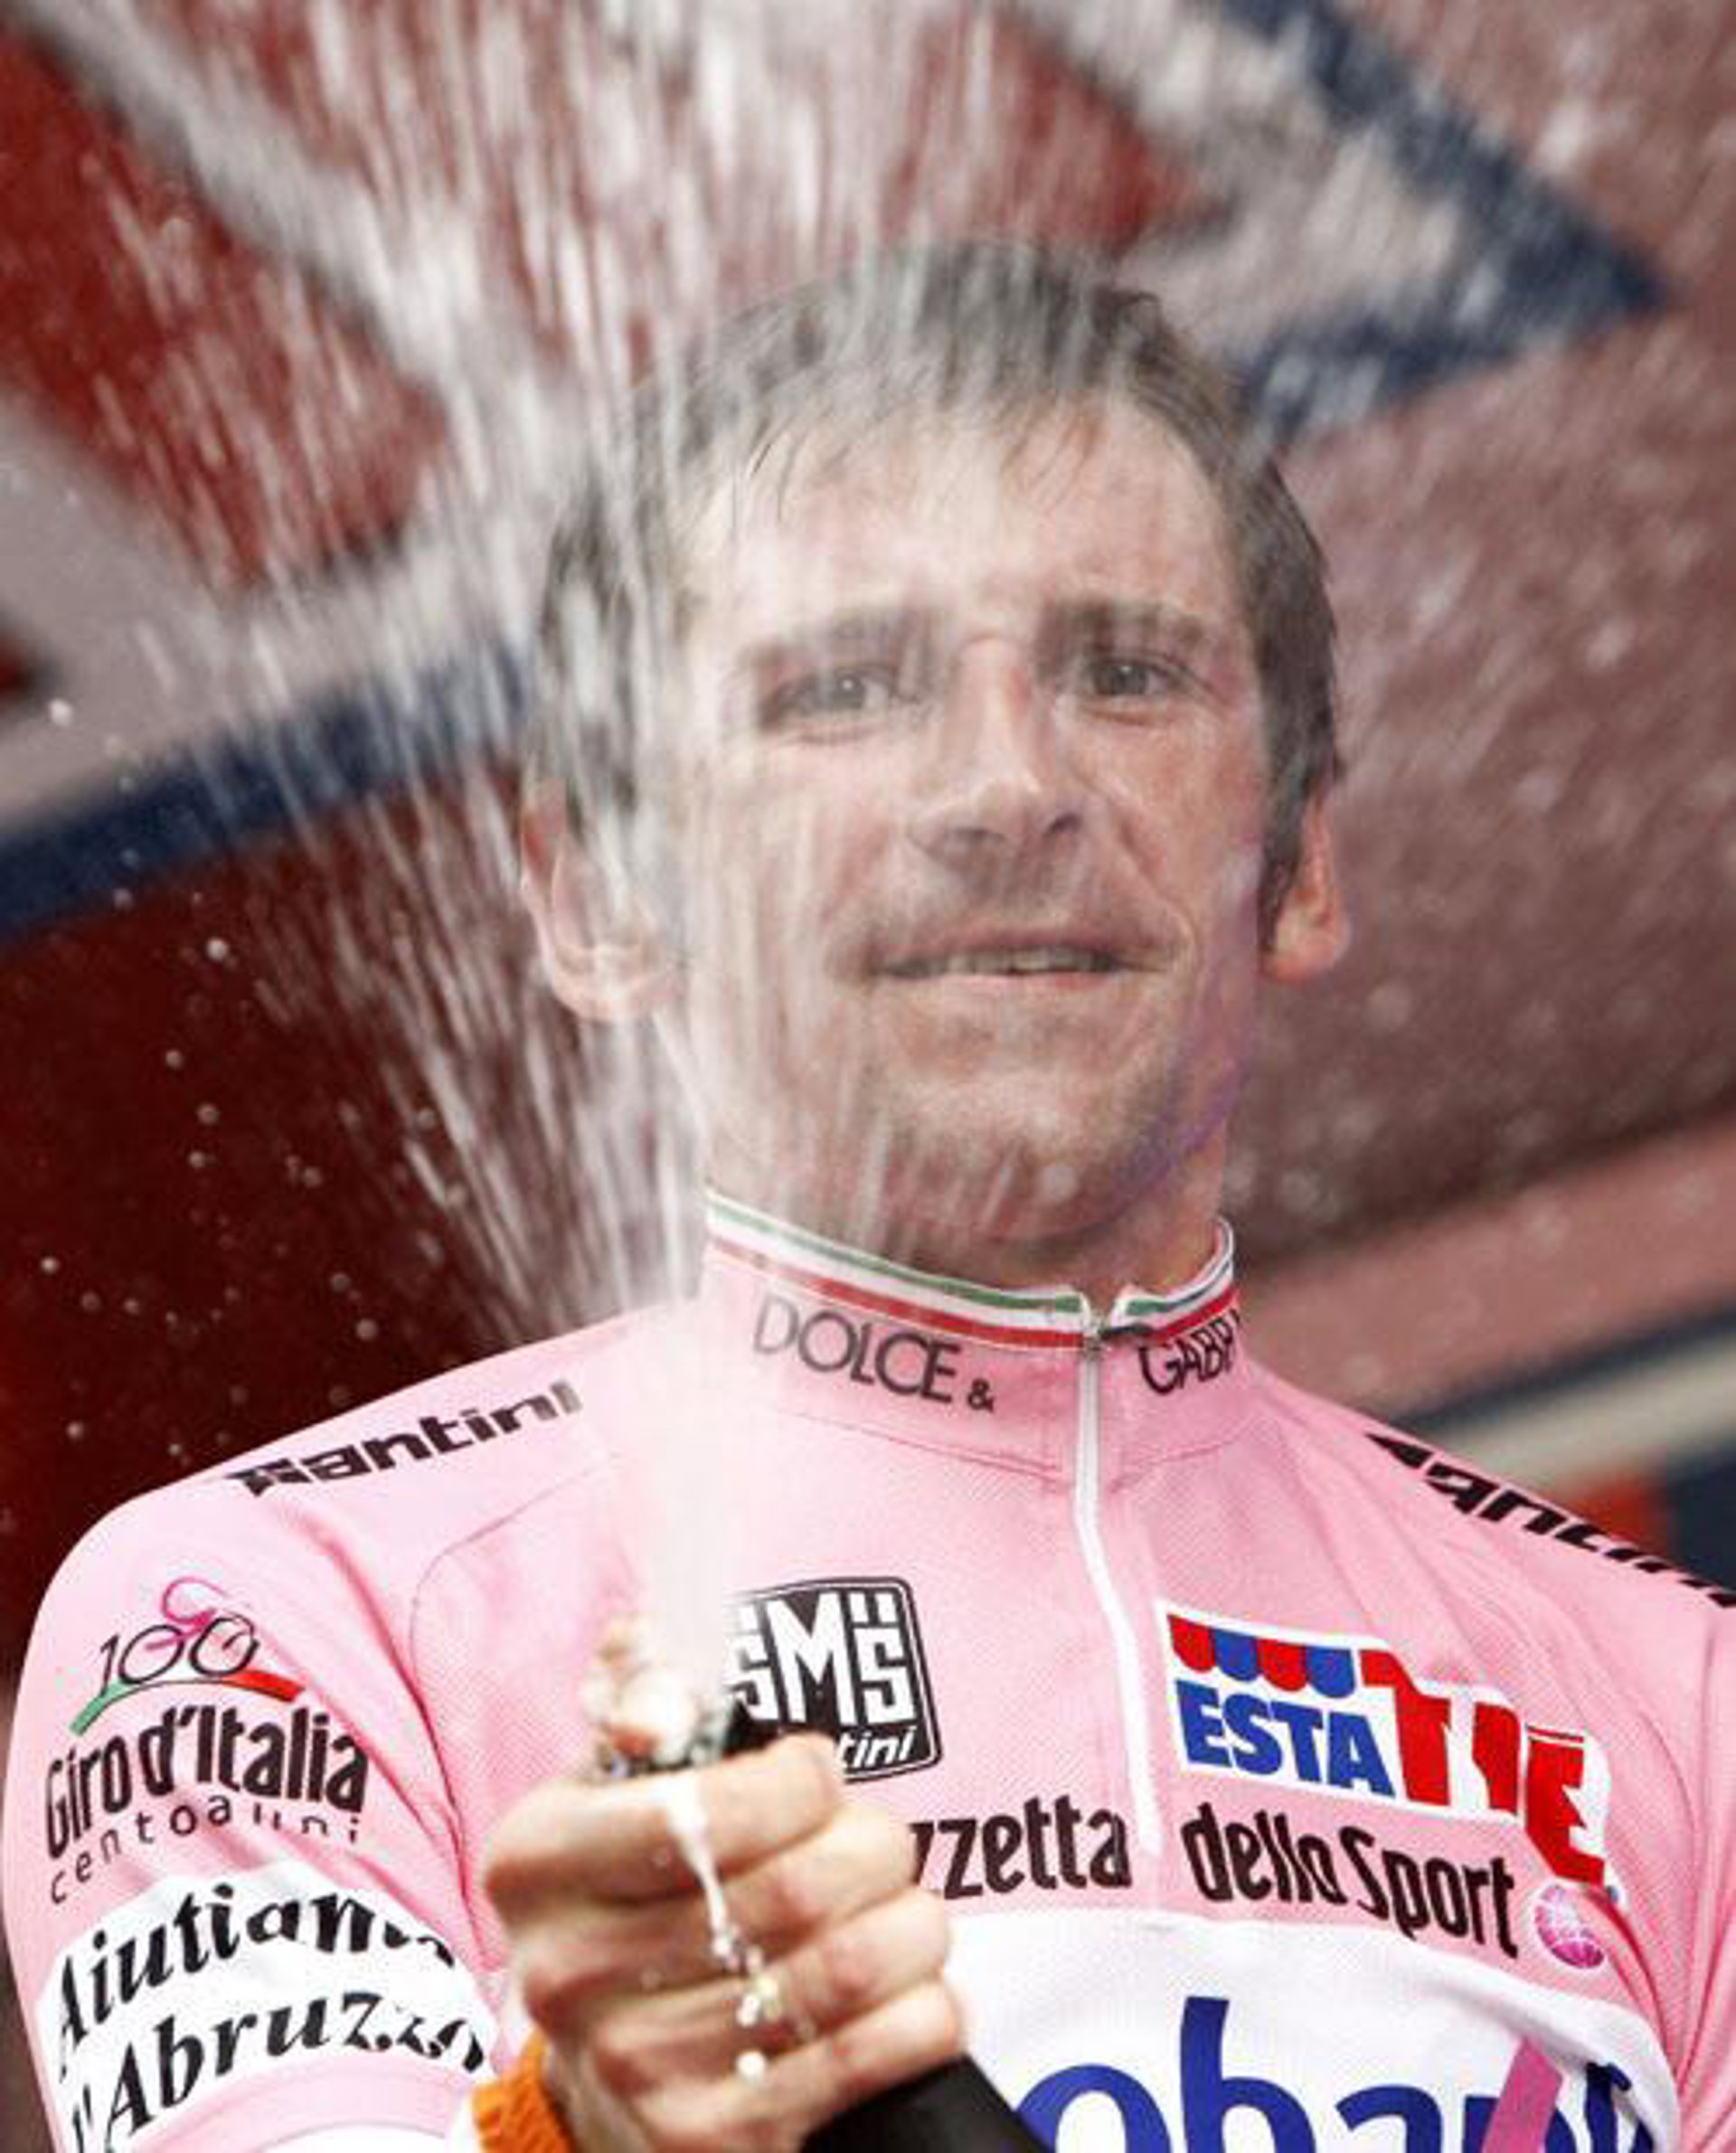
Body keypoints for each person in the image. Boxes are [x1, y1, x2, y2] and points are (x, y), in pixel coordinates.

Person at [3, 245, 1730, 2153]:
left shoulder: (1684, 1704)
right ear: (597, 900)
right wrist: (576, 2125)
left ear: (1303, 861)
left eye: (1125, 670)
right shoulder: (269, 1617)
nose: (1006, 788)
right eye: (845, 687)